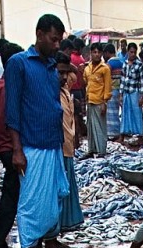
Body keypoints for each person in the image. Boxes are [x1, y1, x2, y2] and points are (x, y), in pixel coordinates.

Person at [5, 14, 69, 248]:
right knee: (31, 202)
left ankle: (44, 247)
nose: (57, 45)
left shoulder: (51, 67)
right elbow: (12, 110)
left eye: (59, 40)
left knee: (53, 199)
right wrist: (17, 149)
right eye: (53, 39)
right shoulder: (19, 63)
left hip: (52, 144)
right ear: (40, 34)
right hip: (31, 146)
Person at [0, 42, 23, 248]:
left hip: (2, 146)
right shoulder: (13, 88)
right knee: (15, 196)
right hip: (14, 147)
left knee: (11, 193)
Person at [57, 52, 83, 237]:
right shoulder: (50, 91)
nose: (64, 76)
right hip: (58, 148)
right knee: (60, 188)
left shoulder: (66, 88)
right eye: (60, 72)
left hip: (68, 144)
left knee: (68, 184)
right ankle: (58, 226)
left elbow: (74, 72)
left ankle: (68, 223)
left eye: (65, 72)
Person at [83, 42, 111, 158]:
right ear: (90, 53)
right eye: (94, 52)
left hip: (100, 101)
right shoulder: (88, 68)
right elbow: (86, 81)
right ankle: (91, 149)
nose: (96, 54)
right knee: (90, 126)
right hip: (90, 100)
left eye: (99, 52)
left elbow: (108, 86)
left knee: (100, 127)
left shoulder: (105, 69)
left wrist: (105, 102)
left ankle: (101, 151)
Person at [119, 43, 143, 141]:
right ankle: (123, 133)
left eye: (134, 52)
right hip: (126, 92)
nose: (133, 54)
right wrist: (120, 95)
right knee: (125, 113)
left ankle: (140, 134)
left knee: (137, 113)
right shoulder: (125, 63)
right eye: (131, 52)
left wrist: (142, 96)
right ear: (127, 52)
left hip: (135, 92)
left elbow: (142, 81)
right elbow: (122, 80)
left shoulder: (139, 65)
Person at [102, 43, 122, 139]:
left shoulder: (109, 64)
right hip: (119, 90)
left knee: (111, 113)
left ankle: (112, 132)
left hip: (112, 90)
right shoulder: (121, 62)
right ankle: (117, 131)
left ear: (107, 53)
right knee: (117, 112)